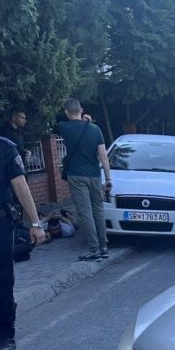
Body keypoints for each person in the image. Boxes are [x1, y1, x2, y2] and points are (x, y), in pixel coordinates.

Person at [0, 131, 45, 350]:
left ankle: (6, 334)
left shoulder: (4, 148)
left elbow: (20, 186)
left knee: (1, 279)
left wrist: (35, 223)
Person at [55, 98, 112, 260]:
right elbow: (103, 157)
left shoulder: (64, 127)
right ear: (81, 110)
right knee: (98, 211)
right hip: (95, 175)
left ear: (66, 112)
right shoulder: (95, 129)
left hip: (76, 175)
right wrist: (108, 179)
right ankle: (103, 246)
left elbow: (54, 123)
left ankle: (94, 249)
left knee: (85, 212)